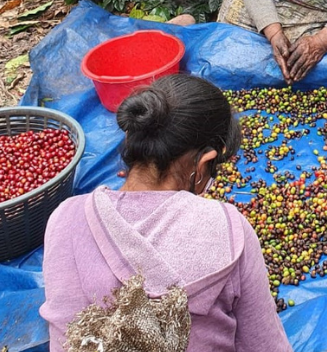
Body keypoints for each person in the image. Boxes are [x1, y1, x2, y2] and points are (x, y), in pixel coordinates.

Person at [40, 74, 293, 352]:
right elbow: (265, 344)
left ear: (130, 135)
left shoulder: (65, 219)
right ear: (204, 161)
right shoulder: (228, 226)